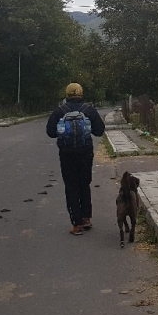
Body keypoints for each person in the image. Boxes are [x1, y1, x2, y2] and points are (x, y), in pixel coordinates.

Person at [46, 83, 105, 235]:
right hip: (86, 153)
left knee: (71, 186)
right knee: (84, 184)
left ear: (67, 94)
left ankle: (77, 224)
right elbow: (99, 131)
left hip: (67, 154)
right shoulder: (89, 110)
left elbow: (50, 132)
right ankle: (86, 218)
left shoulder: (60, 111)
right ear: (81, 93)